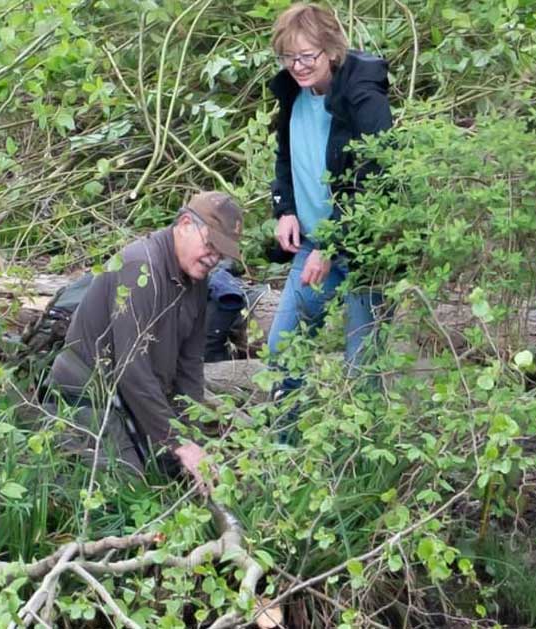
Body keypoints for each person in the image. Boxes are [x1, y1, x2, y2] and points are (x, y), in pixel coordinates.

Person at [46, 191, 244, 490]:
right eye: (210, 245)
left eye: (221, 253)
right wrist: (179, 444)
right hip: (90, 394)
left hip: (136, 395)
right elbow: (132, 370)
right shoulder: (141, 268)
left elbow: (190, 363)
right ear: (186, 224)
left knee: (173, 477)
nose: (213, 258)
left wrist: (190, 433)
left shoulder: (197, 280)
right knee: (130, 490)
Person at [265, 3, 394, 387]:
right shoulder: (292, 93)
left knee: (361, 368)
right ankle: (285, 444)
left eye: (307, 55)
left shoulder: (363, 95)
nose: (298, 65)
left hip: (362, 250)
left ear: (332, 50)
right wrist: (285, 208)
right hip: (312, 244)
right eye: (290, 57)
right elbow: (285, 156)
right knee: (282, 350)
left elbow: (377, 174)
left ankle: (362, 442)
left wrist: (335, 242)